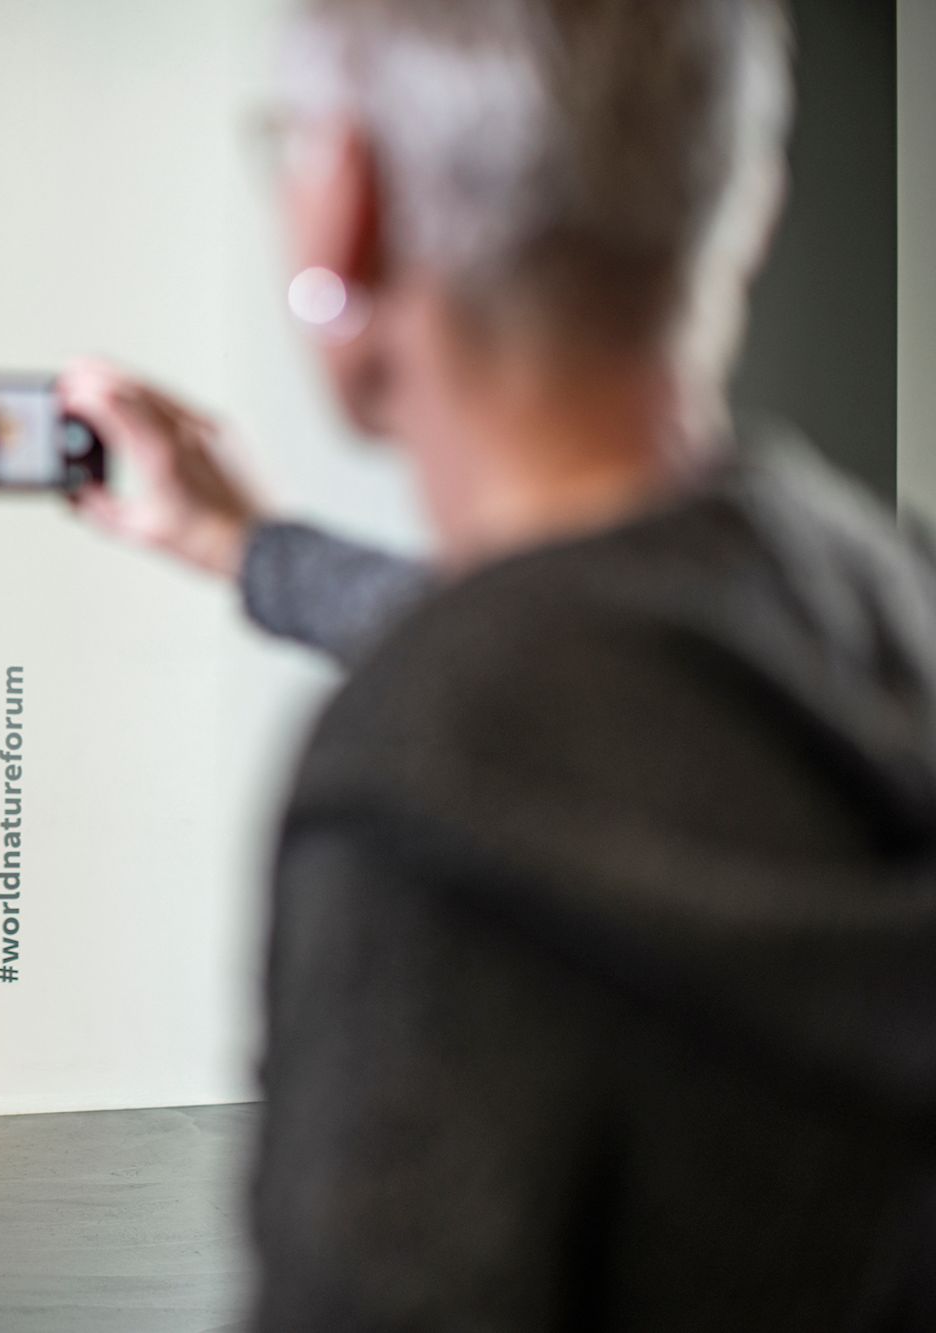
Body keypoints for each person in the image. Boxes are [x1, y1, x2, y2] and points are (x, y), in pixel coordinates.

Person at [64, 0, 936, 1327]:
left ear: (344, 204)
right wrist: (251, 545)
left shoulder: (435, 767)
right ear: (742, 204)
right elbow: (602, 658)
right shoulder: (879, 594)